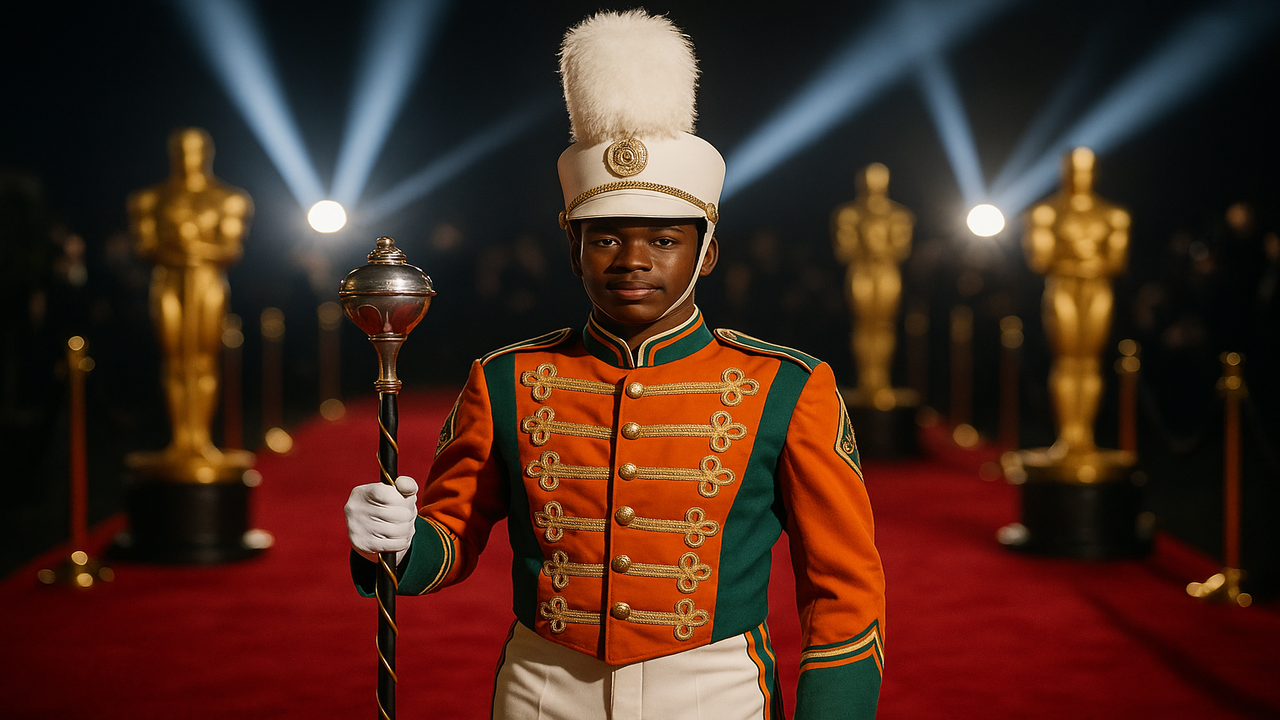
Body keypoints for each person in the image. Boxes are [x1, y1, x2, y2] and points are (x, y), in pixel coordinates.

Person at [345, 11, 885, 719]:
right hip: (542, 687)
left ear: (706, 255)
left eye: (663, 240)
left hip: (713, 691)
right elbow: (447, 546)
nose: (632, 261)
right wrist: (395, 540)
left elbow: (843, 590)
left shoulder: (786, 386)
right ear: (575, 251)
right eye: (605, 240)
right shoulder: (504, 378)